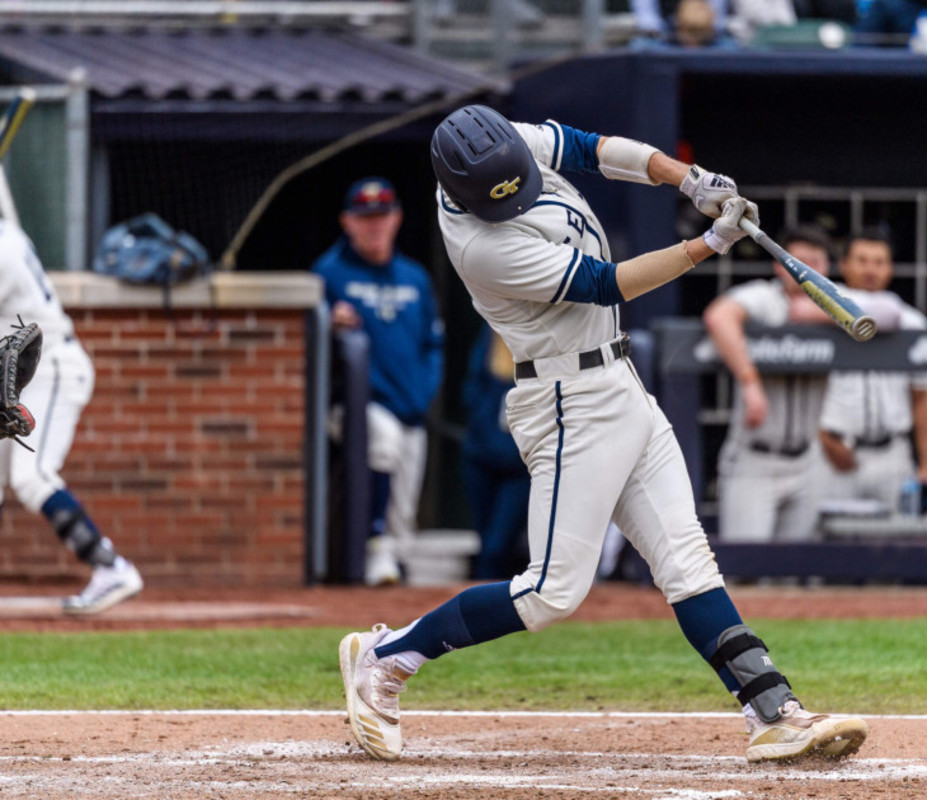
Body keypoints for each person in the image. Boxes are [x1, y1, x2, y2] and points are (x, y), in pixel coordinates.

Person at [338, 105, 869, 764]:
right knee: (550, 592)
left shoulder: (507, 144)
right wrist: (709, 246)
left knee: (688, 561)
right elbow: (606, 284)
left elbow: (594, 149)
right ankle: (388, 656)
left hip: (619, 383)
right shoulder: (480, 246)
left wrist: (688, 180)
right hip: (567, 403)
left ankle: (772, 710)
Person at [0, 218, 143, 614]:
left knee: (33, 476)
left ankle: (111, 567)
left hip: (49, 369)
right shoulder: (7, 231)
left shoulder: (3, 252)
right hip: (22, 371)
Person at [313, 177, 444, 586]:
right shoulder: (328, 273)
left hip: (410, 404)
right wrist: (325, 325)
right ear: (347, 222)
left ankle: (393, 563)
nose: (374, 225)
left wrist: (424, 394)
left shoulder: (414, 277)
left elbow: (433, 343)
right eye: (365, 217)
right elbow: (305, 342)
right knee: (382, 441)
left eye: (382, 215)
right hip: (351, 404)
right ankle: (371, 547)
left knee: (405, 501)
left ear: (397, 219)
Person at [703, 225, 839, 542]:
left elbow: (881, 317)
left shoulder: (835, 300)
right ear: (779, 265)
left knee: (796, 578)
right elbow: (719, 317)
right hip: (755, 460)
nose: (805, 271)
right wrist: (750, 383)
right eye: (796, 262)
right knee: (746, 569)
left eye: (814, 262)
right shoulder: (763, 297)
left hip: (808, 461)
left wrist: (818, 314)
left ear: (826, 267)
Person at [817, 231, 927, 513]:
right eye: (861, 260)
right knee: (828, 547)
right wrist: (820, 436)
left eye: (879, 262)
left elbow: (925, 397)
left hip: (892, 453)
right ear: (844, 264)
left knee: (897, 546)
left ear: (890, 268)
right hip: (834, 452)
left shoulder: (911, 322)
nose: (870, 269)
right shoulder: (819, 314)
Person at [460, 324, 530, 580]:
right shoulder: (489, 333)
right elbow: (472, 388)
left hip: (521, 467)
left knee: (497, 547)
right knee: (485, 542)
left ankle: (492, 610)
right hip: (480, 456)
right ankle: (481, 608)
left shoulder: (547, 342)